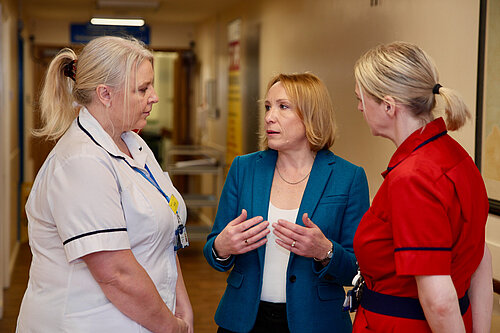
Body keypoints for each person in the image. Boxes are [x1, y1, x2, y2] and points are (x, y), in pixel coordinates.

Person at [16, 36, 193, 333]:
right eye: (142, 89)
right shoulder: (80, 161)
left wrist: (181, 307)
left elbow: (164, 234)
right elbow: (116, 274)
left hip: (147, 320)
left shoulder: (133, 143)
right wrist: (171, 327)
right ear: (105, 94)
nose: (155, 97)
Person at [203, 72, 370, 333]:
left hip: (316, 323)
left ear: (311, 115)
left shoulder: (348, 178)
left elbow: (359, 271)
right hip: (243, 321)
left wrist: (325, 251)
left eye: (283, 107)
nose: (270, 116)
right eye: (268, 107)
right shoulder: (243, 168)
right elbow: (213, 250)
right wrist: (222, 247)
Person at [352, 41, 493, 333]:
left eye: (361, 99)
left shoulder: (412, 178)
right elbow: (480, 258)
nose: (359, 108)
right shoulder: (458, 157)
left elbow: (439, 301)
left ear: (388, 106)